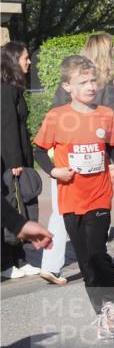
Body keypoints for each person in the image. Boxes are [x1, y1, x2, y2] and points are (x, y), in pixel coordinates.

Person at [33, 55, 114, 338]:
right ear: (67, 86)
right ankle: (102, 313)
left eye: (92, 81)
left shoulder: (106, 115)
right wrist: (54, 172)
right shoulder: (56, 117)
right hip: (70, 198)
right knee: (86, 260)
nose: (90, 87)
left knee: (98, 252)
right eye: (83, 82)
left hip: (99, 195)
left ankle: (112, 305)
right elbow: (39, 150)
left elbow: (112, 148)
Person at [1, 41, 42, 278]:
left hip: (17, 159)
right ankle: (6, 262)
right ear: (14, 59)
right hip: (10, 162)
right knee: (12, 207)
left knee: (22, 208)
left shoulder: (12, 87)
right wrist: (15, 162)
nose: (29, 61)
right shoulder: (5, 89)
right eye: (25, 57)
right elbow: (6, 128)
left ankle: (19, 259)